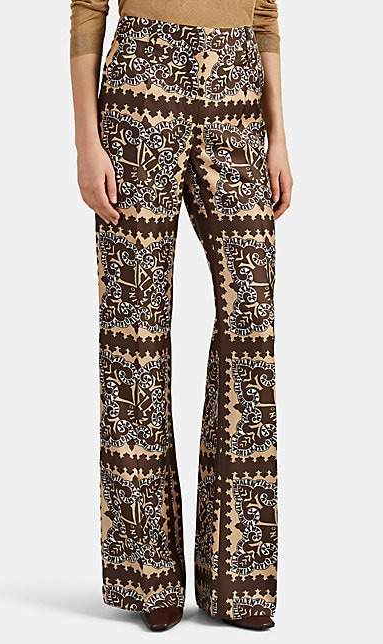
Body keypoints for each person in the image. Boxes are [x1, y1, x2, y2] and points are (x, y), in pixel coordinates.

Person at [70, 0, 293, 632]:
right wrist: (86, 140)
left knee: (251, 326)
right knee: (134, 335)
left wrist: (278, 134)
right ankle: (149, 574)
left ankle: (239, 577)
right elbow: (87, 9)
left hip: (238, 91)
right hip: (140, 86)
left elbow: (265, 12)